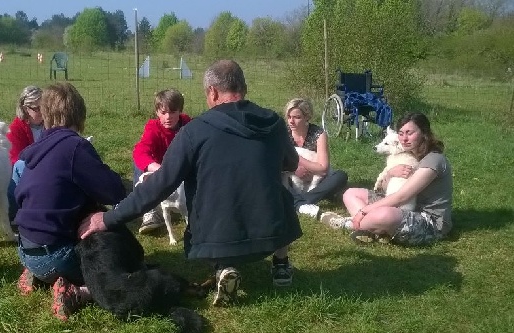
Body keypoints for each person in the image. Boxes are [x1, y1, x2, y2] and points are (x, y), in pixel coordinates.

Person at [79, 60, 302, 307]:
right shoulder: (273, 122)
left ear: (213, 92)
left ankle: (223, 267)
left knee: (208, 204)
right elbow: (292, 164)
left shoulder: (194, 131)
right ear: (244, 87)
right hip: (272, 234)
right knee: (282, 192)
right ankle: (281, 264)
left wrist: (109, 219)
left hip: (216, 239)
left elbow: (160, 184)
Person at [14, 82, 127, 321]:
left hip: (26, 249)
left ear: (45, 116)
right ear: (81, 116)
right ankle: (77, 292)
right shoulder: (75, 146)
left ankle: (37, 274)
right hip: (57, 255)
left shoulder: (37, 150)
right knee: (121, 262)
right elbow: (113, 191)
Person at [320, 112, 452, 245]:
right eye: (401, 133)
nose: (404, 138)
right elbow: (383, 189)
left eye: (409, 133)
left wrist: (364, 210)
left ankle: (347, 224)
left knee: (384, 214)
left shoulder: (433, 160)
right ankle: (376, 230)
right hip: (404, 208)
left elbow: (402, 197)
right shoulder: (408, 155)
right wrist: (390, 174)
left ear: (424, 133)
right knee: (351, 193)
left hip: (429, 222)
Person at [132, 88, 192, 234]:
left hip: (183, 167)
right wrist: (159, 168)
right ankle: (149, 210)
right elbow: (140, 151)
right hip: (160, 168)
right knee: (140, 164)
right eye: (163, 112)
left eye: (172, 112)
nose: (168, 117)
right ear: (157, 112)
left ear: (180, 111)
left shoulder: (188, 125)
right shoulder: (153, 127)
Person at [283, 98, 348, 218]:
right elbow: (276, 160)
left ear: (307, 117)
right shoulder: (283, 133)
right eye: (289, 117)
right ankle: (305, 200)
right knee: (273, 175)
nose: (291, 121)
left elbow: (323, 168)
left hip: (317, 179)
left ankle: (301, 201)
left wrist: (297, 160)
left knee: (340, 176)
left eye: (297, 117)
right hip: (290, 178)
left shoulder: (318, 133)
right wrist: (295, 168)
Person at [6, 85, 43, 221]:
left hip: (43, 170)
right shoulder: (15, 128)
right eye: (36, 108)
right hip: (23, 174)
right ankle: (17, 214)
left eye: (44, 107)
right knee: (20, 165)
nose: (41, 112)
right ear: (25, 109)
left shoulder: (50, 124)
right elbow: (14, 159)